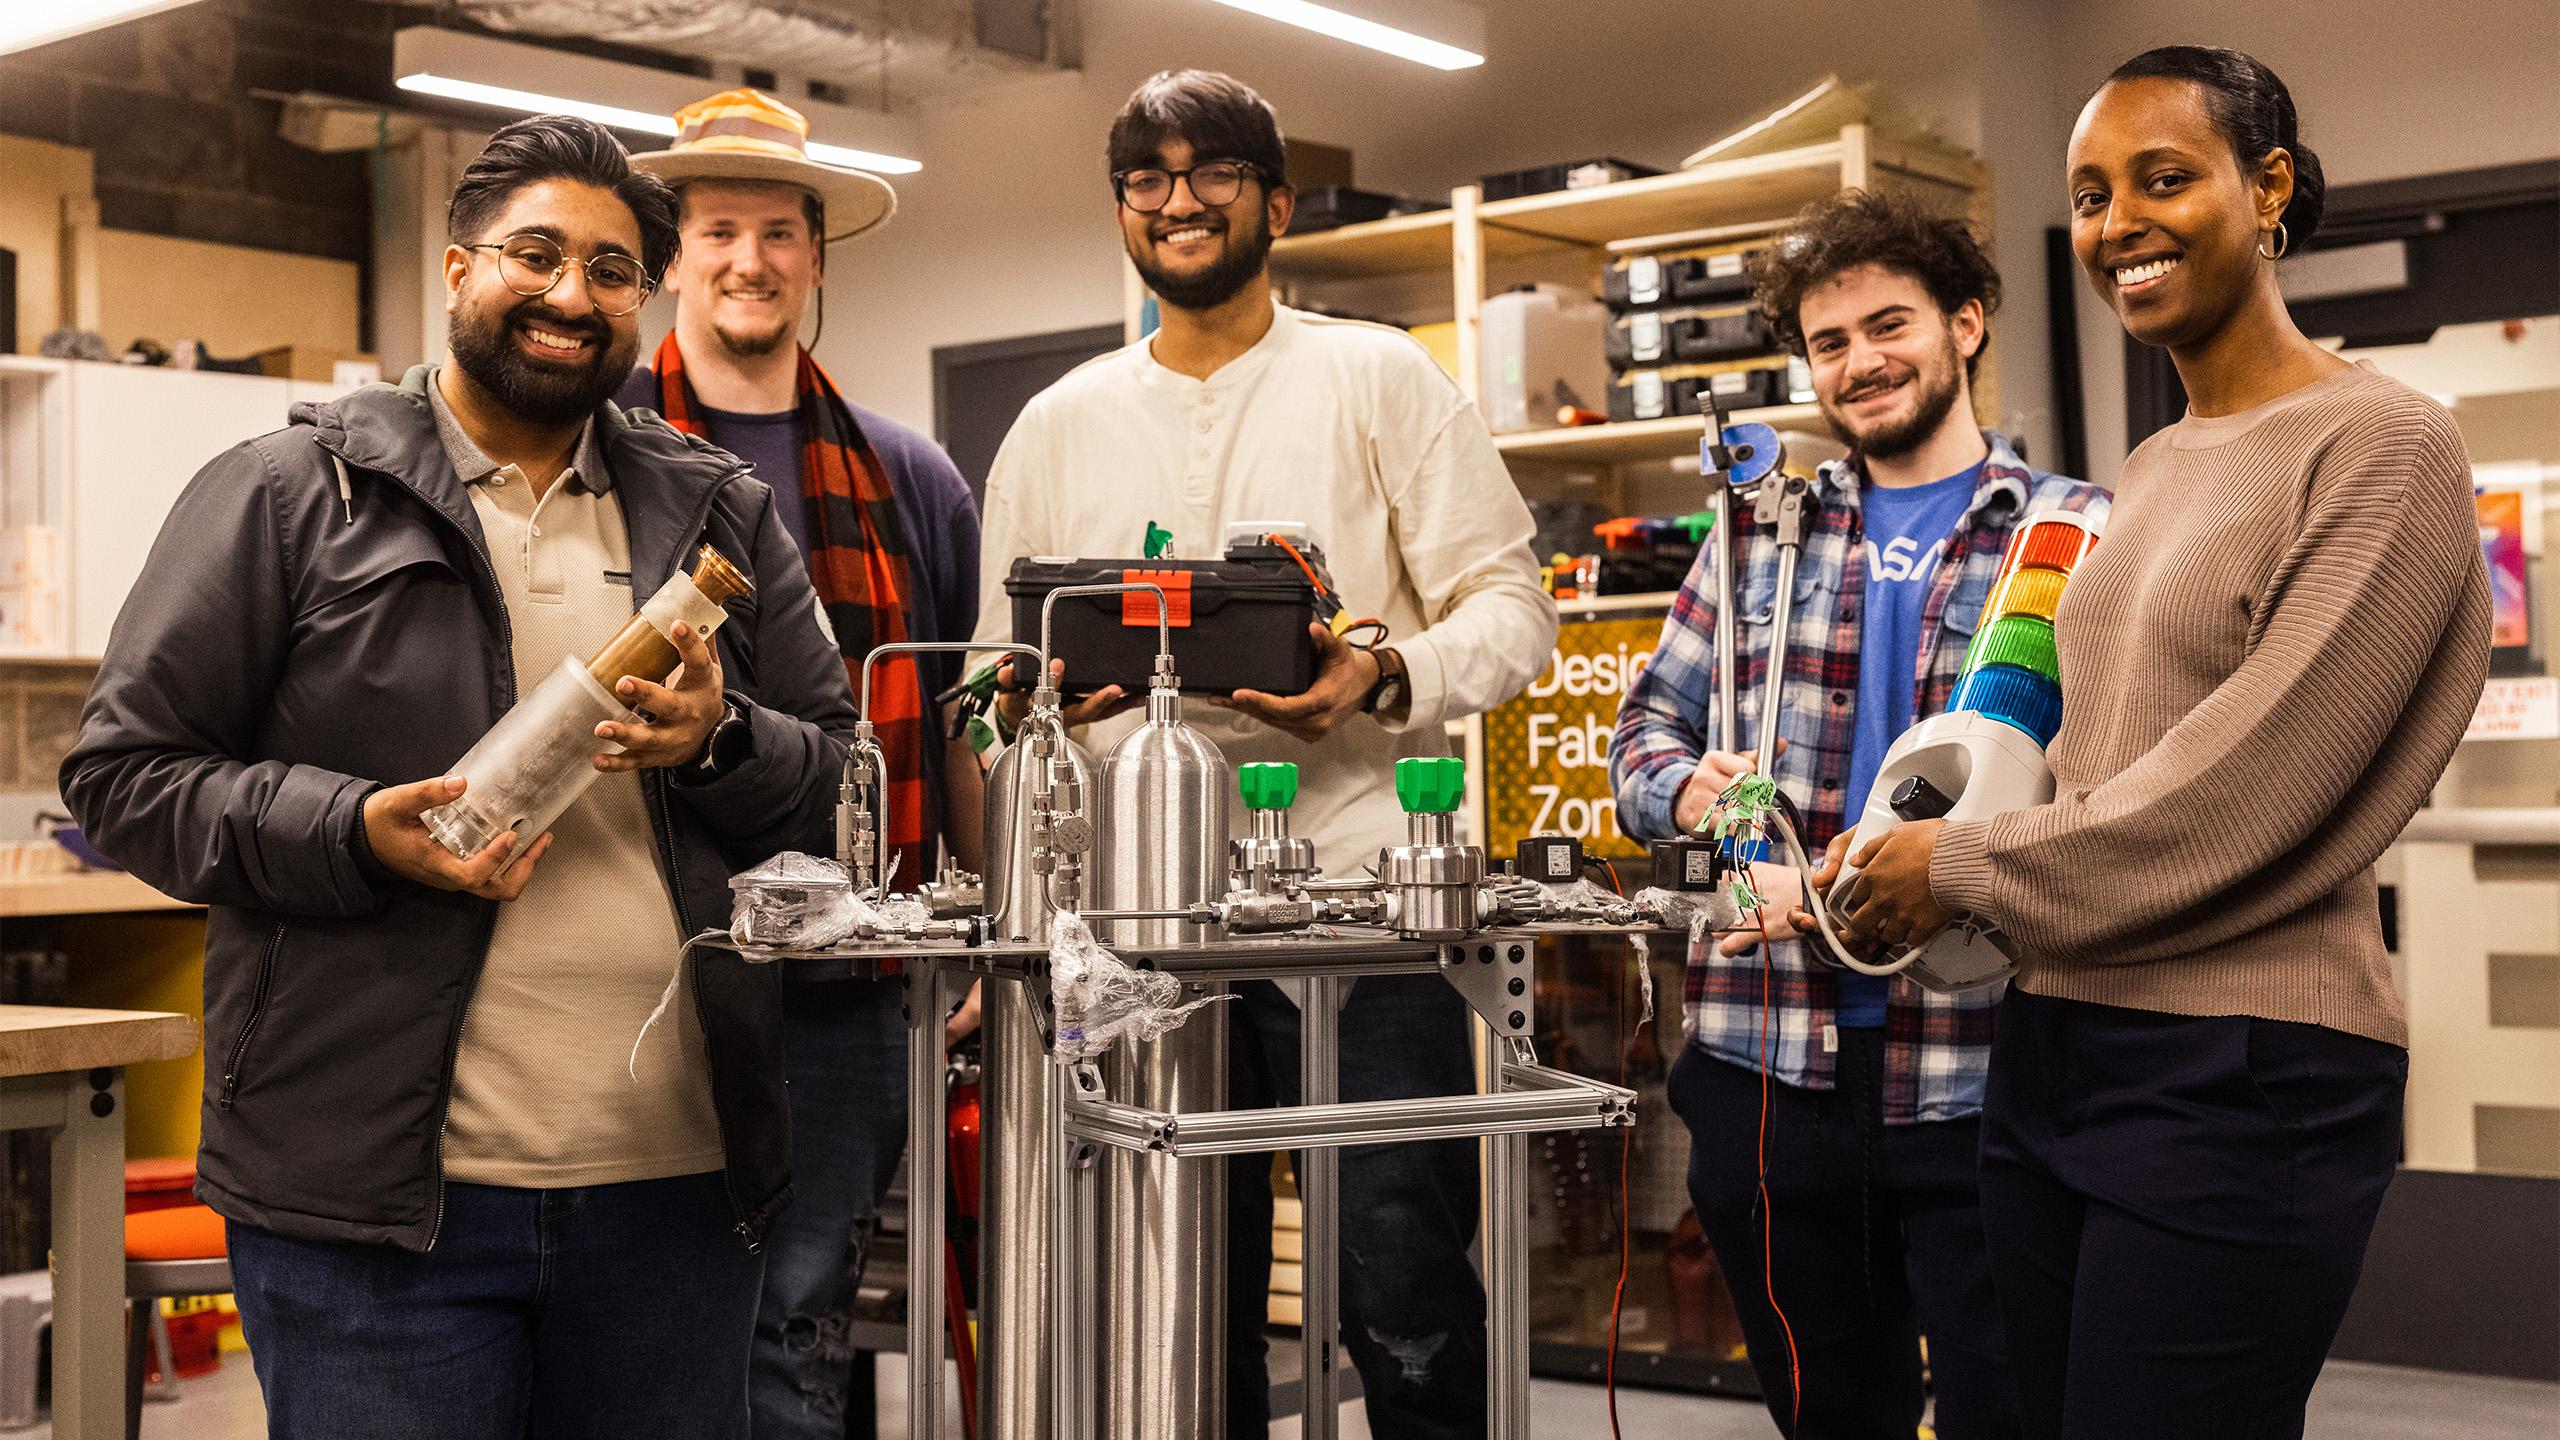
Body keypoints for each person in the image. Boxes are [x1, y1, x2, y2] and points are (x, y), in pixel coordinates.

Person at [61, 115, 857, 1439]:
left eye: (612, 270)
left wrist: (722, 741)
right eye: (533, 253)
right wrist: (357, 831)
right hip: (377, 1211)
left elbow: (838, 779)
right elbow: (127, 775)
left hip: (676, 1191)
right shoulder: (290, 492)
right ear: (453, 267)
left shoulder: (718, 512)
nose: (569, 292)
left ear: (641, 303)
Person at [1818, 47, 2492, 1440]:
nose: (2117, 222)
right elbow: (2099, 744)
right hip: (2058, 1036)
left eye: (2163, 179)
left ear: (2271, 191)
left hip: (2245, 1062)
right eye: (2089, 194)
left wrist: (1965, 868)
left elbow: (2253, 781)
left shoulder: (2384, 444)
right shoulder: (2161, 462)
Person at [973, 68, 1557, 1440]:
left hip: (1359, 911)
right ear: (1122, 209)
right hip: (1135, 924)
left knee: (1399, 1271)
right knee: (1171, 1285)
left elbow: (1516, 612)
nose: (1179, 201)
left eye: (1213, 171)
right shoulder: (1057, 422)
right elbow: (993, 683)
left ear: (1275, 202)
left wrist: (1383, 670)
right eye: (1147, 177)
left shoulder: (1380, 377)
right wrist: (1039, 700)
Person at [1611, 188, 2104, 1438]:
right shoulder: (1753, 539)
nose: (1861, 362)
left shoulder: (2076, 533)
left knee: (2015, 1410)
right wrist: (1694, 795)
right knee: (1829, 1415)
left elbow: (2112, 793)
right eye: (1829, 343)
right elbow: (1640, 745)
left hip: (1987, 1061)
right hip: (1767, 1062)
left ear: (1967, 324)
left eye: (1891, 325)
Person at [618, 88, 983, 1439]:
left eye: (779, 231)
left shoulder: (908, 479)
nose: (749, 260)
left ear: (818, 256)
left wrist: (971, 929)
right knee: (636, 1312)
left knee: (797, 1329)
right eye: (717, 229)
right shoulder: (588, 450)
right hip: (635, 957)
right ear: (675, 250)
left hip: (847, 978)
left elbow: (948, 723)